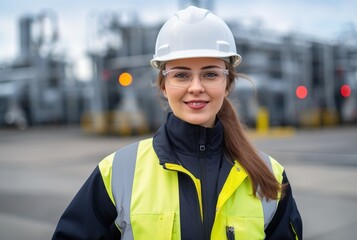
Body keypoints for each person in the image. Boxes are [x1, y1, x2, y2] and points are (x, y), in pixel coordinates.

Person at [52, 6, 302, 240]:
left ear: (228, 84)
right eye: (181, 75)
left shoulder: (270, 175)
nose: (196, 87)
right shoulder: (116, 173)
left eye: (210, 74)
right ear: (163, 85)